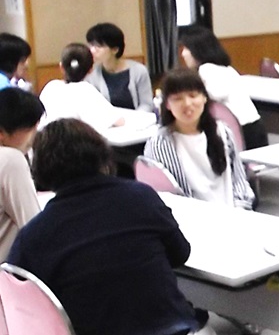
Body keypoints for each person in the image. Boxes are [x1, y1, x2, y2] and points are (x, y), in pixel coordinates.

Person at [7, 118, 212, 335]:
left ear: (41, 169)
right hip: (172, 329)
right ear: (100, 154)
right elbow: (180, 253)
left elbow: (17, 299)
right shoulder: (141, 197)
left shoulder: (35, 234)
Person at [144, 68, 254, 209]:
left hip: (232, 213)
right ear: (167, 105)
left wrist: (240, 209)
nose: (187, 103)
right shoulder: (160, 144)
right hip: (189, 216)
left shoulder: (223, 132)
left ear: (204, 98)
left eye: (193, 95)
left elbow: (239, 181)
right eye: (177, 98)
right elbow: (173, 197)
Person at [179, 25, 267, 150]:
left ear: (197, 50)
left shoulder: (206, 69)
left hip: (242, 132)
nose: (183, 54)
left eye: (186, 49)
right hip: (254, 127)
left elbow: (212, 95)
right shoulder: (227, 69)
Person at [38, 43, 125, 131]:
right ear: (91, 69)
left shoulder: (50, 87)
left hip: (47, 138)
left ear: (61, 67)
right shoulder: (86, 89)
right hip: (74, 139)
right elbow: (118, 120)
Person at [0, 88, 43, 259]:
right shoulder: (11, 159)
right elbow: (34, 227)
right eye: (30, 128)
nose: (34, 136)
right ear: (2, 132)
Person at [85, 22, 154, 111]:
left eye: (99, 46)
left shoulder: (139, 71)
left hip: (137, 117)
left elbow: (147, 104)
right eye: (91, 45)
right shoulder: (92, 76)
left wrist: (132, 118)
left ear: (115, 49)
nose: (92, 50)